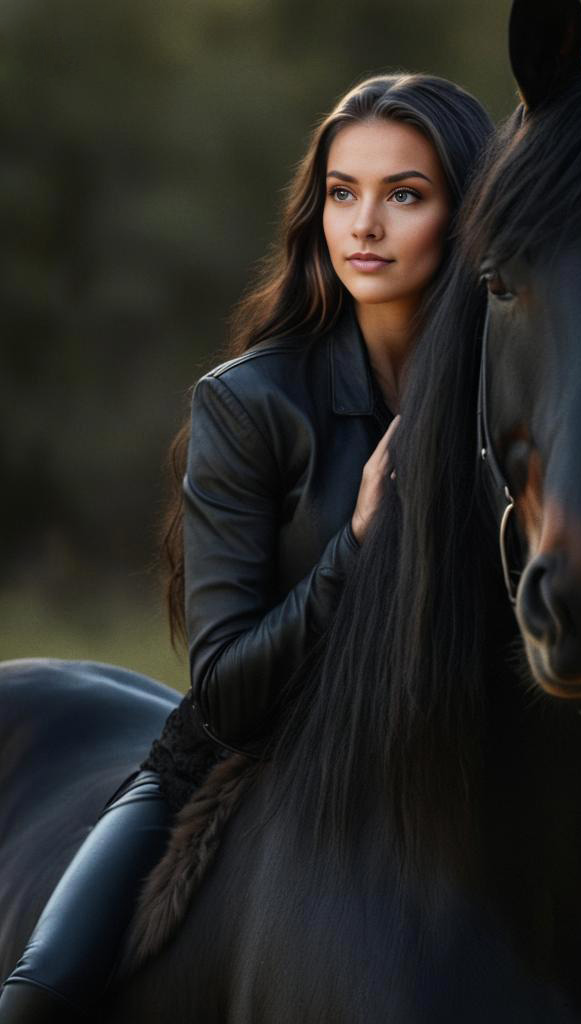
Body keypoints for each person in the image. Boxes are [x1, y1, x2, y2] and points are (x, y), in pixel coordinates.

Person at [0, 72, 494, 1021]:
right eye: (343, 193)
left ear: (466, 214)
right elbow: (224, 682)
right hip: (229, 763)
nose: (366, 225)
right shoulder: (250, 402)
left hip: (455, 779)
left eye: (405, 195)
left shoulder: (502, 405)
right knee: (37, 1002)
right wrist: (356, 545)